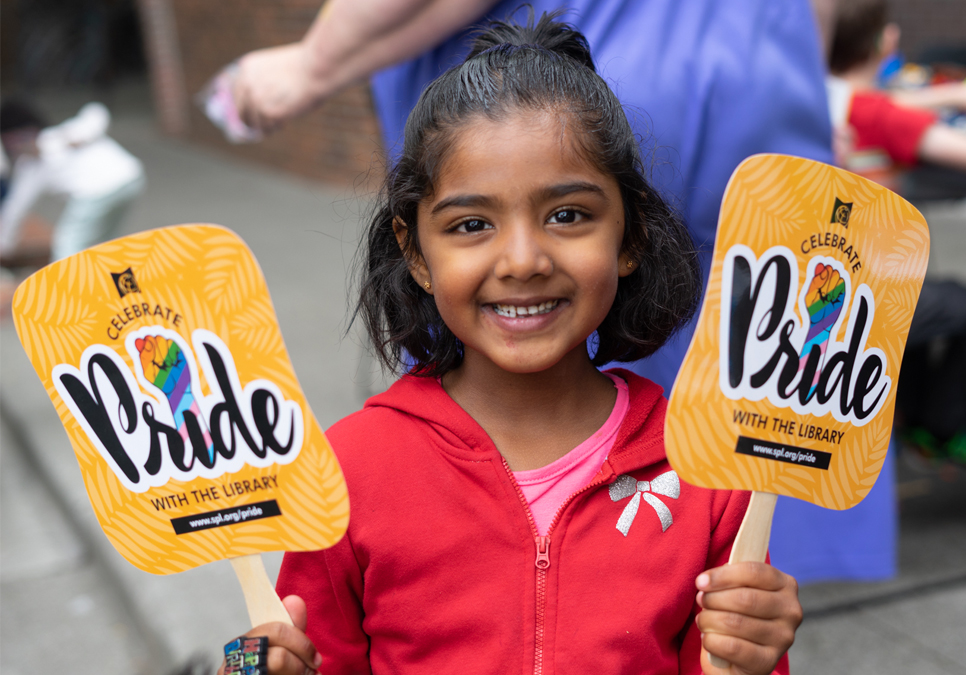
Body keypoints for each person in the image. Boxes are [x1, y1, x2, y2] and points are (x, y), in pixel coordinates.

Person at [219, 15, 804, 675]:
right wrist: (247, 665)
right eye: (471, 224)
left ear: (631, 236)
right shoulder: (347, 471)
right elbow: (294, 647)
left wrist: (755, 651)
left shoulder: (707, 466)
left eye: (568, 215)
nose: (523, 259)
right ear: (415, 253)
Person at [826, 0, 966, 190]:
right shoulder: (881, 116)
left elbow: (872, 99)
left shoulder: (819, 98)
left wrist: (952, 95)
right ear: (885, 39)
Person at [0, 101, 145, 262]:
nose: (19, 146)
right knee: (107, 240)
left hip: (114, 184)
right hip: (130, 179)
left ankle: (65, 285)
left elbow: (96, 111)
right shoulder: (29, 167)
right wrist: (6, 246)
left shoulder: (60, 135)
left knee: (67, 242)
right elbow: (16, 208)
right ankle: (114, 276)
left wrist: (81, 135)